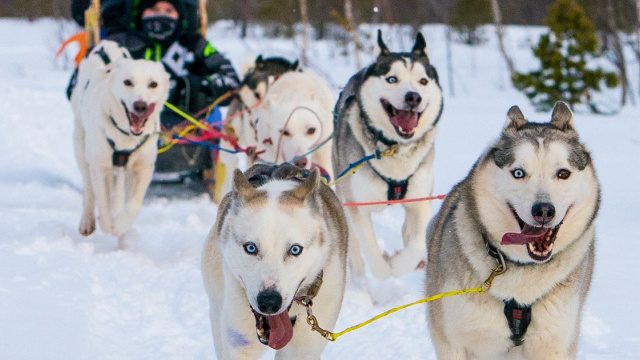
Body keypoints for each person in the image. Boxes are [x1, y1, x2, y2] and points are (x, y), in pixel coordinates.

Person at [69, 0, 240, 193]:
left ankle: (218, 179)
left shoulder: (193, 44)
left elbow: (231, 80)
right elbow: (80, 86)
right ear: (140, 13)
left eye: (169, 10)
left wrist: (199, 88)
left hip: (186, 125)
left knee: (216, 112)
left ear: (180, 15)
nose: (162, 16)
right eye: (154, 9)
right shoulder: (119, 45)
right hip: (126, 130)